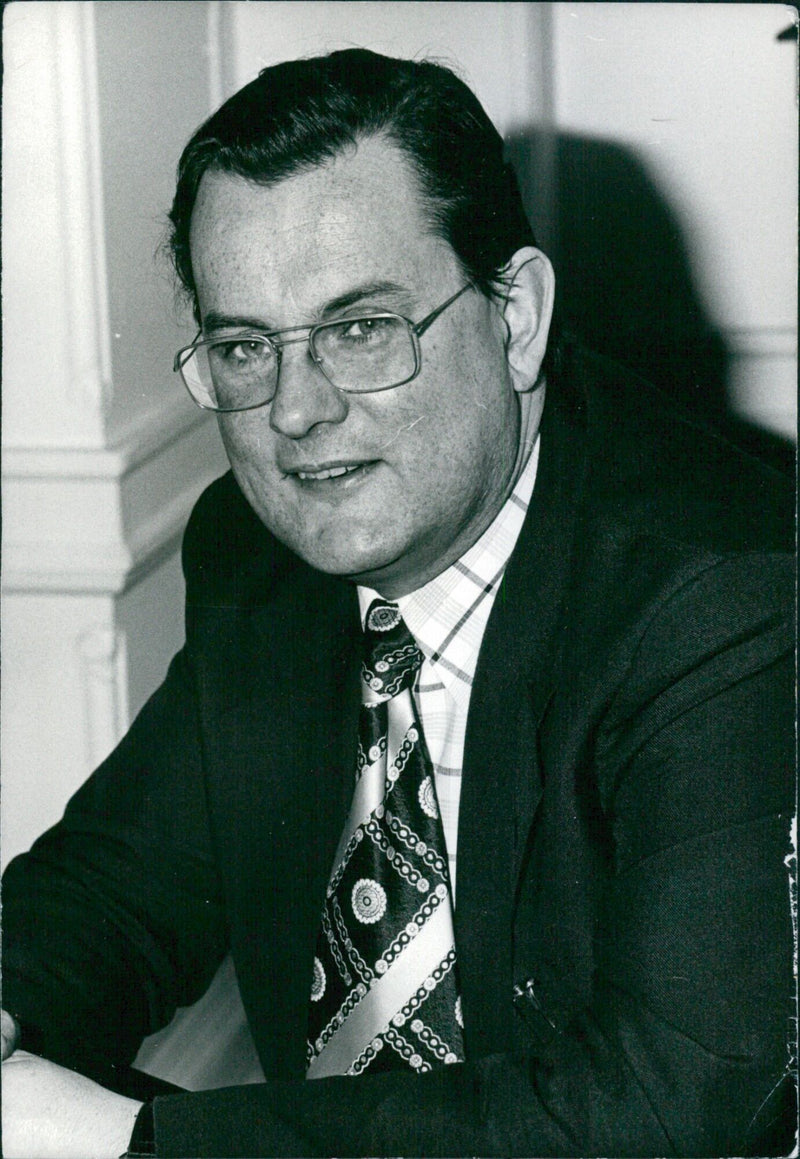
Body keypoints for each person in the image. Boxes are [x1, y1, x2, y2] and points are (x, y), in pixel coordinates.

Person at [2, 48, 794, 1159]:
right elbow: (117, 890)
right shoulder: (262, 552)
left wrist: (132, 1140)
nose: (294, 413)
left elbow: (670, 1107)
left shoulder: (725, 598)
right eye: (242, 347)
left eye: (361, 328)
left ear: (513, 316)